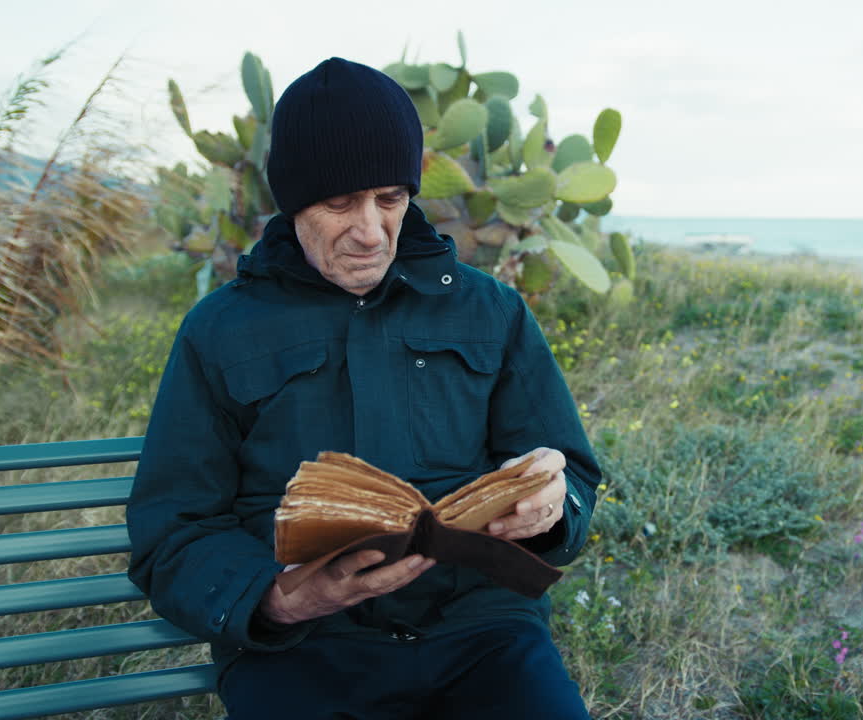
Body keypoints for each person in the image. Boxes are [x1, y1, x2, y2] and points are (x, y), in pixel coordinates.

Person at [126, 57, 600, 720]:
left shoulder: (491, 311)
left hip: (480, 635)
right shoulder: (219, 331)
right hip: (302, 650)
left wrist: (555, 503)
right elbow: (171, 529)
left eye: (389, 198)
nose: (370, 230)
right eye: (339, 202)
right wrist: (277, 597)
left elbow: (570, 472)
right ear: (293, 203)